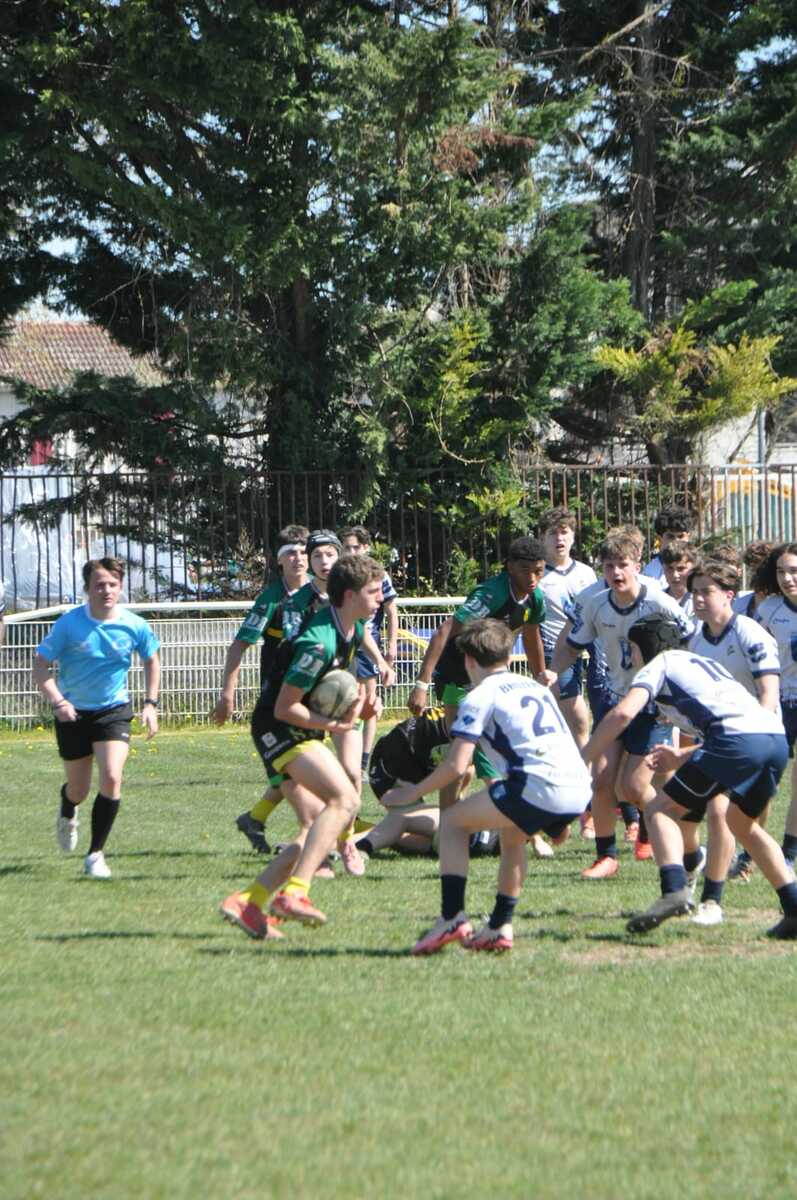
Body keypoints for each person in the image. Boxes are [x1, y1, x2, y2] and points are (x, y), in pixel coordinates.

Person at [582, 614, 797, 939]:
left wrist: (582, 759)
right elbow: (731, 720)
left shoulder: (660, 664)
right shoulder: (701, 663)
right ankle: (793, 907)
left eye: (633, 649)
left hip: (735, 741)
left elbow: (623, 713)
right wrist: (681, 755)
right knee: (742, 824)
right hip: (773, 739)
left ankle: (675, 890)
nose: (631, 656)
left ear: (646, 647)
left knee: (658, 810)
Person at [384, 619, 590, 954]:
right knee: (512, 837)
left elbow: (456, 765)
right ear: (508, 656)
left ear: (468, 660)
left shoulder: (479, 696)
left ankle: (451, 917)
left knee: (453, 822)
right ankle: (499, 926)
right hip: (579, 786)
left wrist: (411, 792)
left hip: (540, 787)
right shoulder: (536, 688)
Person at [220, 553, 385, 937]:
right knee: (346, 801)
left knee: (314, 827)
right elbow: (285, 707)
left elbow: (333, 686)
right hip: (279, 727)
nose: (380, 598)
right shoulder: (318, 643)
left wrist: (360, 703)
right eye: (373, 592)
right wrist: (337, 724)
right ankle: (295, 892)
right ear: (349, 596)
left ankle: (248, 902)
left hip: (298, 729)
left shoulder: (351, 627)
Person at [550, 532, 692, 878]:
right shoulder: (597, 604)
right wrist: (553, 672)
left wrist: (677, 696)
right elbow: (572, 646)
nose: (616, 572)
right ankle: (607, 857)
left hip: (653, 706)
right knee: (601, 781)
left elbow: (690, 644)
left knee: (633, 786)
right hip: (615, 701)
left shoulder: (658, 601)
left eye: (623, 565)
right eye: (609, 565)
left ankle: (666, 828)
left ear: (637, 566)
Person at [32, 557, 160, 879]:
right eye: (99, 585)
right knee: (78, 790)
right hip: (73, 713)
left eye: (113, 584)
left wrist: (150, 704)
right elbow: (41, 665)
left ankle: (95, 855)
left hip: (113, 711)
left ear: (121, 587)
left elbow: (151, 660)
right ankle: (68, 808)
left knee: (112, 777)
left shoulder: (134, 624)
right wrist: (58, 701)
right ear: (87, 588)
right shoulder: (69, 624)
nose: (107, 590)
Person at [408, 536, 547, 813]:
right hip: (457, 676)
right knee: (468, 748)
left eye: (539, 571)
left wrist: (541, 676)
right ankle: (481, 816)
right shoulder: (491, 595)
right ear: (509, 566)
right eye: (525, 570)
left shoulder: (535, 598)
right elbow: (444, 631)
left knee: (467, 759)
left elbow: (532, 638)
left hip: (491, 680)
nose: (532, 578)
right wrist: (422, 683)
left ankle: (453, 819)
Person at [685, 560, 781, 924]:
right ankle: (788, 892)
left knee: (722, 814)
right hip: (720, 739)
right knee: (736, 824)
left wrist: (749, 736)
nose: (698, 599)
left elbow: (768, 693)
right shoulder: (697, 640)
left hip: (755, 738)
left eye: (706, 592)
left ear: (729, 595)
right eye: (694, 592)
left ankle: (711, 901)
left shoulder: (749, 633)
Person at [212, 524, 309, 853]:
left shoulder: (321, 594)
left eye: (303, 552)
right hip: (277, 701)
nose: (298, 559)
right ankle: (314, 836)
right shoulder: (271, 599)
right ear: (278, 561)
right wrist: (228, 695)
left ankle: (255, 819)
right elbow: (238, 646)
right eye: (290, 553)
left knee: (300, 768)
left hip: (311, 699)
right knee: (293, 770)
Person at [340, 525, 398, 780]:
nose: (350, 552)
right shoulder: (339, 575)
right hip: (342, 641)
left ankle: (363, 762)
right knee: (346, 698)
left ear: (366, 547)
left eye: (355, 547)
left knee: (368, 701)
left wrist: (392, 645)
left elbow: (391, 611)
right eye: (346, 548)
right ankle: (347, 758)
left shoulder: (379, 575)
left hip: (368, 643)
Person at [538, 507, 596, 748]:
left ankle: (588, 764)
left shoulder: (586, 573)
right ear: (543, 538)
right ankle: (584, 765)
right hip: (557, 652)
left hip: (590, 651)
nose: (559, 538)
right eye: (552, 533)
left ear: (573, 536)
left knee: (589, 715)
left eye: (564, 532)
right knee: (577, 717)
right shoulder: (538, 575)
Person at [756, 543, 797, 872]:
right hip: (778, 703)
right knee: (764, 779)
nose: (787, 578)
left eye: (794, 571)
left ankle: (790, 851)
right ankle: (751, 848)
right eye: (781, 572)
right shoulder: (769, 610)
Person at [641, 506, 694, 580]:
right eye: (670, 537)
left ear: (689, 537)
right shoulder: (650, 574)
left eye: (681, 536)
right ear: (660, 539)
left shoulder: (700, 569)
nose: (676, 541)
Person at [659, 541, 699, 632]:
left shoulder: (698, 601)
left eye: (681, 569)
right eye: (670, 568)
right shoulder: (658, 600)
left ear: (693, 569)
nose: (675, 575)